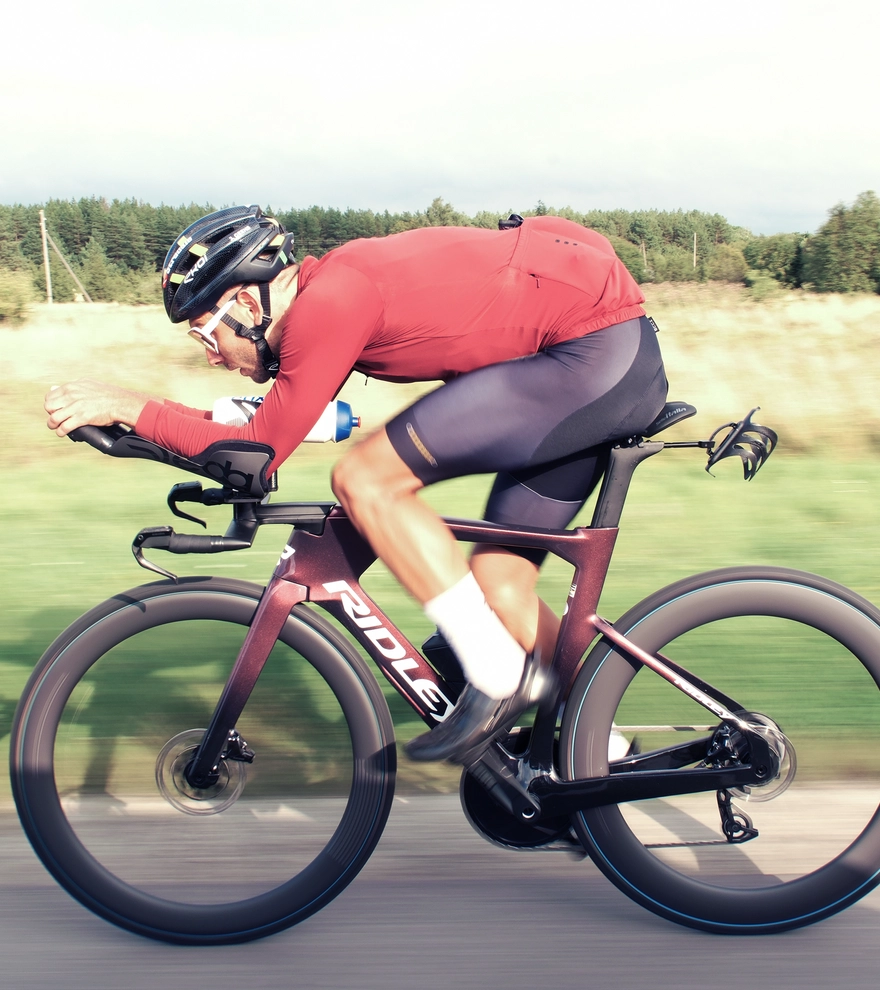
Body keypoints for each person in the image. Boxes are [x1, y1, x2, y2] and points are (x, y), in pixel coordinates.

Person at [45, 204, 668, 764]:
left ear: (247, 303)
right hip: (596, 356)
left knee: (366, 480)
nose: (211, 354)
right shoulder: (328, 299)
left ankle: (499, 675)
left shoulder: (329, 301)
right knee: (498, 587)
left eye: (206, 332)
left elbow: (256, 455)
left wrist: (133, 407)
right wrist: (145, 423)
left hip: (590, 357)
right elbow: (265, 429)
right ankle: (602, 754)